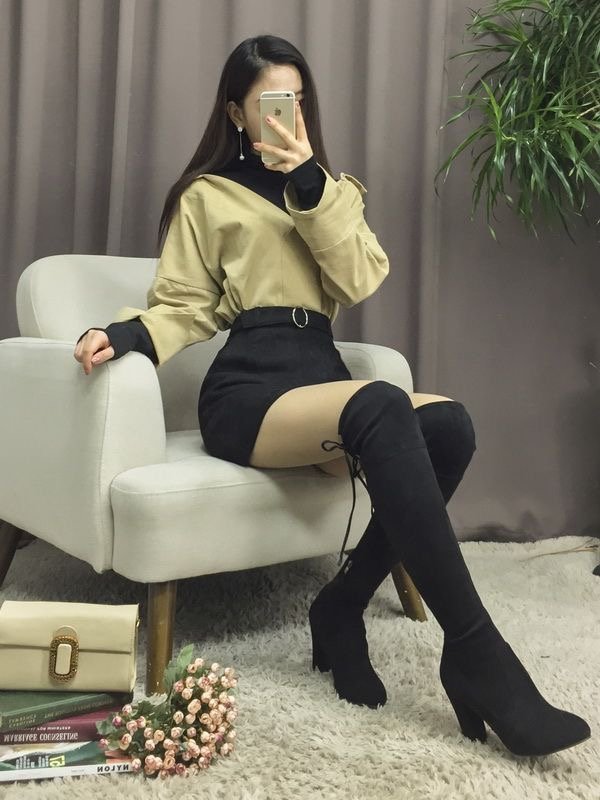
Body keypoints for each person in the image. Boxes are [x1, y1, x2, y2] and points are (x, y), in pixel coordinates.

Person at [74, 35, 590, 757]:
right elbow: (187, 304)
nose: (285, 113)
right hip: (249, 389)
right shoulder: (207, 195)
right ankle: (478, 655)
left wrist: (311, 184)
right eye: (269, 102)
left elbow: (360, 279)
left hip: (320, 373)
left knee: (451, 425)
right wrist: (129, 333)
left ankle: (341, 605)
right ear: (236, 113)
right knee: (380, 402)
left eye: (296, 99)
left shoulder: (331, 190)